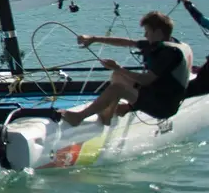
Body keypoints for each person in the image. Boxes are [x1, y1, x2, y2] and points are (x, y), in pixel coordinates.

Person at [59, 11, 192, 127]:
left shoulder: (169, 53)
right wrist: (94, 39)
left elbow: (145, 80)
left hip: (163, 106)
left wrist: (118, 67)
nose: (145, 35)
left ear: (157, 32)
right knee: (118, 76)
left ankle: (79, 117)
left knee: (117, 88)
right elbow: (126, 42)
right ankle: (107, 116)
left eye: (147, 31)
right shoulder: (169, 43)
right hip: (156, 94)